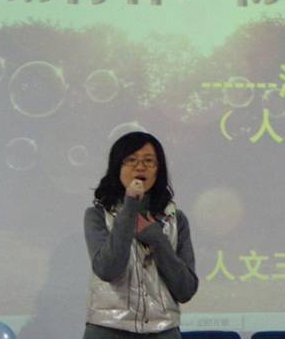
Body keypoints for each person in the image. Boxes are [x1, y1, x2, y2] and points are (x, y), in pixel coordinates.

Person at [83, 132, 198, 339]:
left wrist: (156, 237)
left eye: (149, 161)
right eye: (131, 160)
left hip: (163, 330)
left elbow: (186, 289)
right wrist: (130, 207)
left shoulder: (176, 219)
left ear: (158, 170)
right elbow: (108, 269)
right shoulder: (98, 215)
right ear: (117, 167)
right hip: (108, 329)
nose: (140, 167)